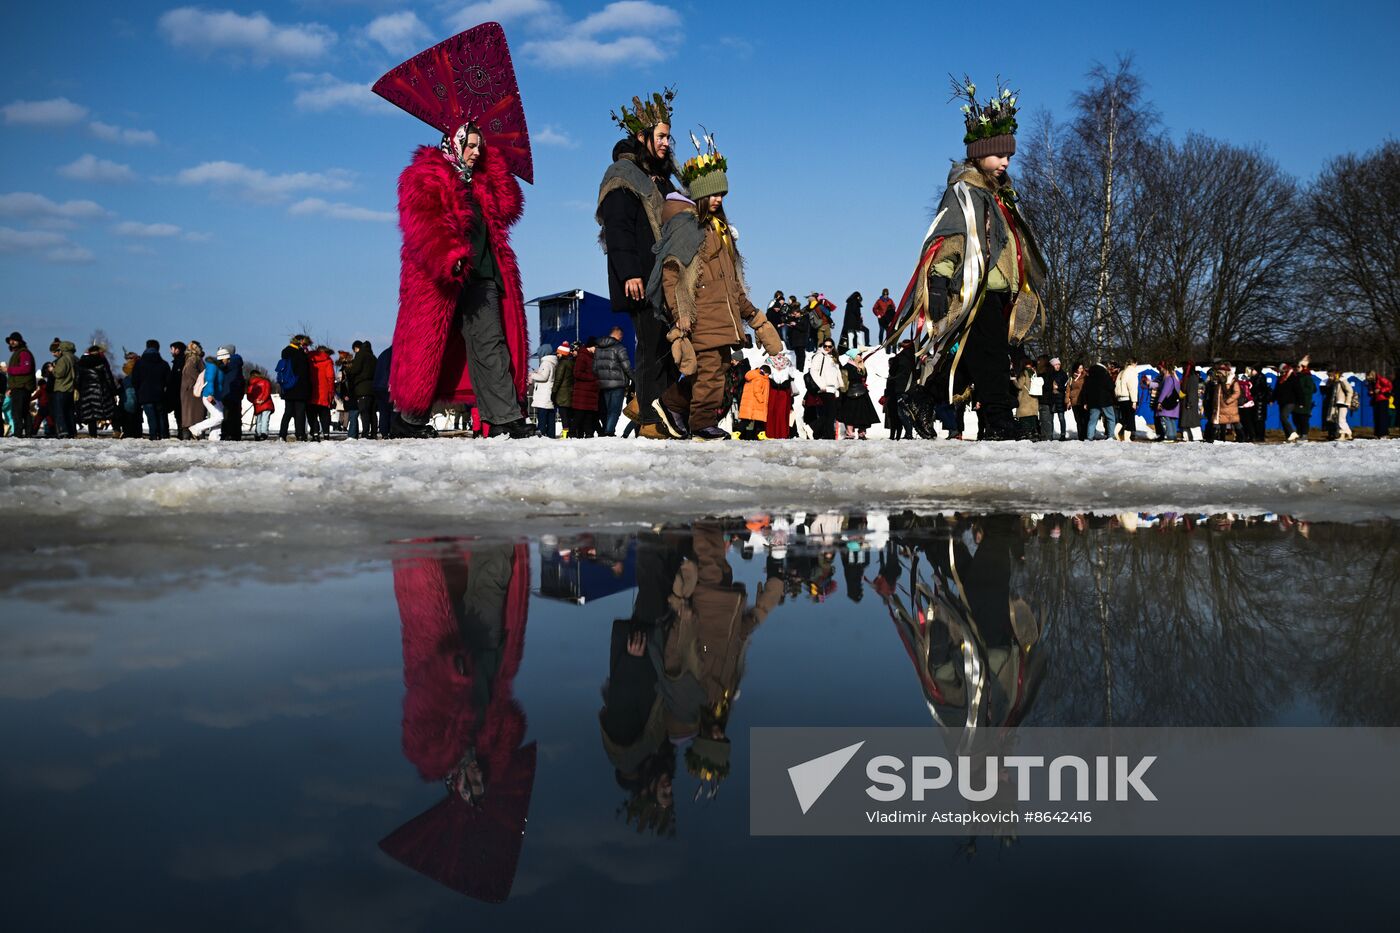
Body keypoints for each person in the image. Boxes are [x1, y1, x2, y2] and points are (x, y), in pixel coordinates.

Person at [893, 77, 1048, 441]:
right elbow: (950, 239)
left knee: (970, 358)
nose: (1005, 162)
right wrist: (938, 280)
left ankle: (922, 399)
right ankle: (998, 420)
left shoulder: (997, 195)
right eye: (999, 155)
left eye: (1009, 155)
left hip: (997, 290)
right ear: (979, 153)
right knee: (990, 356)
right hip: (973, 290)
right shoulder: (963, 193)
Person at [386, 114, 532, 439]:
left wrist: (495, 167)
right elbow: (420, 223)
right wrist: (447, 254)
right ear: (454, 142)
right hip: (439, 277)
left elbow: (509, 208)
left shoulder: (480, 182)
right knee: (429, 345)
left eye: (481, 146)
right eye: (472, 145)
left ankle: (504, 418)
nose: (476, 152)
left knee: (491, 345)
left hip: (483, 274)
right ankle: (408, 419)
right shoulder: (424, 176)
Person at [649, 135, 784, 441]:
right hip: (702, 316)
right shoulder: (689, 229)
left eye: (722, 194)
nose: (718, 199)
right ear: (698, 194)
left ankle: (671, 405)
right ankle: (702, 424)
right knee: (710, 374)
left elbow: (731, 283)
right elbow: (672, 273)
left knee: (715, 371)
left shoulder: (718, 231)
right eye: (712, 194)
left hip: (723, 316)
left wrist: (752, 315)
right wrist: (681, 314)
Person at [598, 87, 688, 440]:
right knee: (651, 343)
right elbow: (617, 226)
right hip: (640, 275)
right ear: (643, 137)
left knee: (668, 346)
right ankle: (650, 414)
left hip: (666, 276)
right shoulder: (623, 175)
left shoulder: (661, 178)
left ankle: (653, 408)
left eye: (669, 136)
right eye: (661, 136)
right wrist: (629, 272)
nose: (667, 142)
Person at [594, 326, 633, 436]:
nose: (622, 338)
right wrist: (635, 379)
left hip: (602, 384)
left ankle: (608, 429)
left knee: (606, 410)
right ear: (618, 335)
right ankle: (609, 431)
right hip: (617, 384)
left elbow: (594, 367)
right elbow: (627, 367)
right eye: (622, 336)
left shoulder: (598, 348)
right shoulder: (619, 347)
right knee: (614, 411)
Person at [804, 338, 843, 439]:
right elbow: (813, 371)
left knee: (829, 413)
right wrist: (822, 385)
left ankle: (828, 435)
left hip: (833, 388)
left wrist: (839, 386)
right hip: (825, 388)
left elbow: (837, 373)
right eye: (825, 346)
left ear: (833, 347)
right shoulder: (819, 356)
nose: (827, 348)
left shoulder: (833, 357)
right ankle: (813, 427)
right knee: (831, 412)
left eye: (829, 346)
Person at [76, 345, 117, 436]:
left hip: (86, 392)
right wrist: (113, 391)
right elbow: (108, 377)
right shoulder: (101, 361)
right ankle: (117, 430)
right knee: (111, 411)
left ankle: (92, 434)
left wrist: (79, 389)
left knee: (91, 415)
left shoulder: (81, 363)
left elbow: (77, 379)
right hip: (101, 390)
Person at [837, 350, 878, 440]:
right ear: (853, 356)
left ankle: (862, 433)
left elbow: (864, 378)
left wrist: (861, 368)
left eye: (861, 355)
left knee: (863, 414)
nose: (860, 356)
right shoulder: (846, 367)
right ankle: (850, 433)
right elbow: (843, 382)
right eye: (859, 355)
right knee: (850, 415)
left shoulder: (861, 367)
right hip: (850, 394)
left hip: (862, 393)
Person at [277, 335, 311, 441]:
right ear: (300, 342)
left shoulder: (285, 352)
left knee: (288, 412)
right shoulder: (300, 353)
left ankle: (282, 434)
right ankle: (300, 434)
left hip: (288, 386)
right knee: (300, 413)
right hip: (299, 387)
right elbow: (303, 371)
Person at [345, 339, 378, 439]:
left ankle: (365, 434)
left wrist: (348, 369)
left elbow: (356, 369)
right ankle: (374, 433)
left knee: (364, 412)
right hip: (373, 388)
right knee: (373, 413)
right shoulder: (374, 358)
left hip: (362, 387)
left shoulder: (361, 355)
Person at [5, 332, 36, 437]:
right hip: (18, 386)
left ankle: (19, 433)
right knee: (22, 411)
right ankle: (28, 432)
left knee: (17, 412)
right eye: (10, 340)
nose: (12, 342)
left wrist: (9, 369)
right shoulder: (17, 353)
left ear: (20, 341)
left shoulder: (24, 353)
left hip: (22, 386)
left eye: (14, 340)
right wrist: (10, 387)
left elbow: (26, 368)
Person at [885, 339, 917, 440]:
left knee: (902, 412)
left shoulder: (900, 358)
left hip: (900, 387)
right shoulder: (914, 357)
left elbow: (893, 371)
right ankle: (908, 432)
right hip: (911, 387)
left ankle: (908, 433)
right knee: (907, 410)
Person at [571, 338, 601, 438]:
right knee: (579, 416)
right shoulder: (583, 357)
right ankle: (571, 434)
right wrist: (593, 378)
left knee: (588, 415)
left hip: (589, 392)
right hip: (583, 393)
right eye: (596, 347)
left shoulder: (591, 357)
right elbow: (577, 373)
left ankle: (589, 434)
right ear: (590, 346)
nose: (597, 349)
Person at [214, 345, 245, 441]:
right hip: (235, 391)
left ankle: (228, 434)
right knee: (235, 414)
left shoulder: (232, 361)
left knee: (228, 415)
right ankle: (235, 434)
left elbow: (222, 367)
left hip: (229, 391)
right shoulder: (236, 361)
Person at [527, 344, 558, 438]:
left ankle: (541, 433)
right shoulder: (553, 363)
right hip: (549, 392)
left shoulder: (545, 363)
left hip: (544, 394)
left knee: (542, 415)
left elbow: (543, 377)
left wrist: (532, 375)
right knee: (550, 415)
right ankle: (551, 434)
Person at [180, 341, 207, 441]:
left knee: (188, 416)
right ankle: (197, 435)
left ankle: (187, 435)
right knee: (195, 415)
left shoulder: (189, 359)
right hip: (194, 391)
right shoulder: (195, 359)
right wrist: (202, 382)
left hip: (188, 391)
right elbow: (195, 373)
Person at [307, 345, 334, 441]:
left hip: (311, 390)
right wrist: (331, 391)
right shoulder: (328, 361)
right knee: (324, 414)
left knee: (312, 414)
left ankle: (315, 433)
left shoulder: (309, 359)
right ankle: (326, 434)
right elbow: (330, 377)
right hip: (324, 391)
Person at [737, 364, 771, 439]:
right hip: (755, 403)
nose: (768, 376)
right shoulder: (759, 378)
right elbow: (757, 390)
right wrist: (761, 399)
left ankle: (761, 434)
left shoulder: (754, 376)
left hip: (751, 402)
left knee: (759, 420)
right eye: (768, 374)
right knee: (746, 420)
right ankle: (736, 433)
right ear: (764, 372)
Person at [551, 342, 575, 437]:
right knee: (568, 415)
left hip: (562, 393)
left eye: (558, 353)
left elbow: (558, 379)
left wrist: (553, 392)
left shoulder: (562, 364)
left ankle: (565, 434)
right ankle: (569, 433)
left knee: (563, 415)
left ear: (562, 353)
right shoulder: (572, 362)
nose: (557, 355)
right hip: (570, 392)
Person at [1325, 369, 1356, 441]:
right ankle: (1348, 434)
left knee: (1341, 420)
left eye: (1331, 376)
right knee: (1340, 420)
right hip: (1338, 403)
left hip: (1343, 402)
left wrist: (1348, 402)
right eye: (1329, 376)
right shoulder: (1336, 381)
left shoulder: (1342, 380)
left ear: (1336, 374)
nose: (1330, 377)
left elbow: (1350, 390)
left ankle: (1345, 434)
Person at [1014, 358, 1040, 440]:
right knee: (1032, 418)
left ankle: (1027, 434)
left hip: (1025, 400)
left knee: (1024, 418)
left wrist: (1014, 380)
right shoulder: (1034, 373)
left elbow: (1019, 385)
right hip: (1033, 399)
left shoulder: (1024, 373)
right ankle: (1034, 433)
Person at [1155, 361, 1182, 441]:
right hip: (1174, 404)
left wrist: (1159, 402)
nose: (1161, 370)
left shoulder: (1168, 378)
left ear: (1165, 369)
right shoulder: (1175, 378)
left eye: (1162, 369)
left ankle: (1169, 437)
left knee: (1166, 420)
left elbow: (1164, 391)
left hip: (1167, 403)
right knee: (1172, 420)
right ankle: (1173, 436)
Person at [167, 341, 188, 439]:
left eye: (172, 349)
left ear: (177, 350)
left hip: (178, 394)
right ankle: (182, 434)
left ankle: (182, 435)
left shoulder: (180, 362)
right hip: (178, 394)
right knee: (179, 415)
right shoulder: (180, 361)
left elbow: (176, 379)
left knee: (180, 415)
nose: (171, 351)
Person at [246, 368, 274, 440]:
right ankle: (264, 433)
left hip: (257, 405)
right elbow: (267, 392)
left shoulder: (250, 385)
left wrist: (256, 401)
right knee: (265, 419)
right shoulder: (265, 381)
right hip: (266, 404)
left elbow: (249, 396)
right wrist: (263, 400)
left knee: (258, 420)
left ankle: (258, 434)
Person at [1365, 371, 1391, 438]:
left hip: (1383, 400)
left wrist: (1380, 390)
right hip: (1376, 401)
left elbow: (1389, 386)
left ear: (1372, 375)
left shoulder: (1381, 379)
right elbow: (1371, 391)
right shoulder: (1371, 382)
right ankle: (1378, 434)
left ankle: (1384, 434)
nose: (1368, 378)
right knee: (1377, 418)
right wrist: (1370, 392)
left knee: (1382, 418)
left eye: (1369, 376)